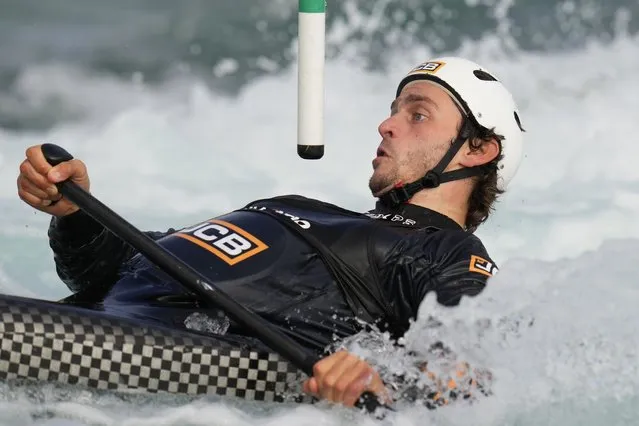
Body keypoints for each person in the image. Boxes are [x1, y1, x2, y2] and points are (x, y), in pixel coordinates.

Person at [16, 56, 524, 408]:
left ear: (478, 150)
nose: (385, 126)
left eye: (416, 114)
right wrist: (74, 214)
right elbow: (111, 273)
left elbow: (470, 373)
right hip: (79, 325)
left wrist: (385, 382)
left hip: (152, 351)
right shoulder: (299, 207)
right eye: (393, 111)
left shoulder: (445, 250)